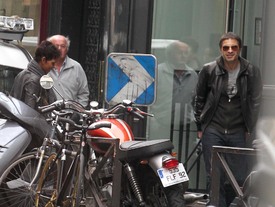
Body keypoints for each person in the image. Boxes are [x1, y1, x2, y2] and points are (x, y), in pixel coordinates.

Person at [193, 32, 262, 206]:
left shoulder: (251, 71)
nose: (230, 51)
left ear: (239, 49)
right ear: (220, 49)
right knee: (213, 173)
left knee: (238, 175)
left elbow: (255, 102)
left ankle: (227, 203)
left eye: (234, 47)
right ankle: (216, 204)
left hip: (238, 129)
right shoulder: (209, 69)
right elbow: (198, 98)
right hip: (213, 128)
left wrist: (249, 127)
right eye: (226, 47)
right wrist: (200, 126)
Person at [149, 41, 198, 146]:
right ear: (170, 54)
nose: (183, 56)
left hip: (185, 127)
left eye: (186, 53)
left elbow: (196, 100)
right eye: (179, 52)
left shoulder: (193, 74)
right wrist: (152, 121)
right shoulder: (158, 71)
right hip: (161, 126)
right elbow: (148, 100)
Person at [10, 40, 60, 111]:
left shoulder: (23, 73)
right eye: (52, 63)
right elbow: (30, 112)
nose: (54, 66)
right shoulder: (34, 81)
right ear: (43, 60)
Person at [47, 35, 90, 107]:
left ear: (67, 49)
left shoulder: (76, 67)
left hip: (70, 115)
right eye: (56, 46)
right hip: (48, 115)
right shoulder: (43, 67)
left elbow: (83, 94)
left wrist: (77, 112)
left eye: (63, 46)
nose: (59, 49)